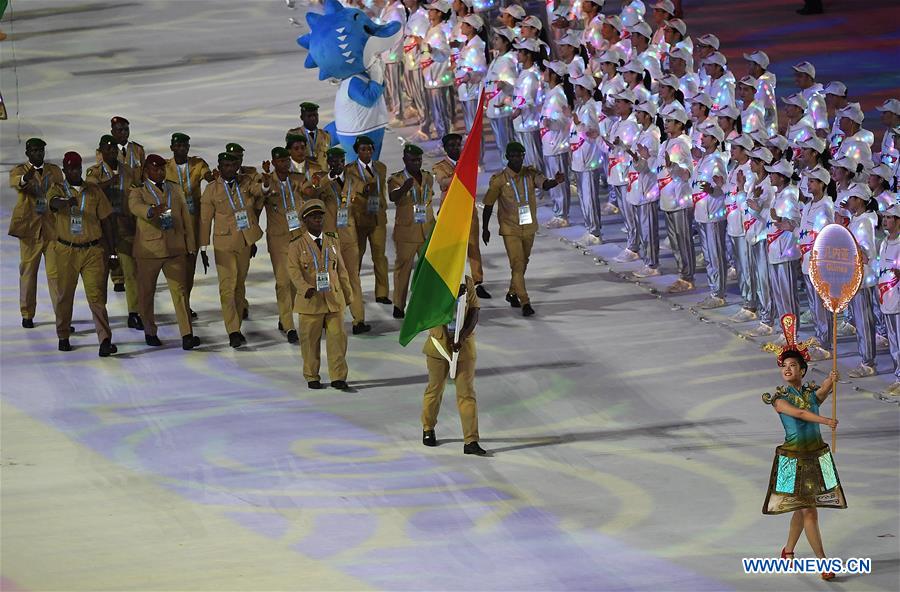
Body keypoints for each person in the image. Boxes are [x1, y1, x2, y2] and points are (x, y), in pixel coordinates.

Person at [761, 315, 843, 582]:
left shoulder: (809, 393)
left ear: (803, 370)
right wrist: (825, 420)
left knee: (802, 508)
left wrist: (831, 380)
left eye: (793, 365)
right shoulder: (779, 400)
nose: (787, 369)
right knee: (809, 510)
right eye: (784, 365)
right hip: (793, 460)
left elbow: (820, 396)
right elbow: (801, 414)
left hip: (815, 456)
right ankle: (823, 563)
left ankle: (788, 551)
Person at [46, 151, 118, 357]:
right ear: (64, 170)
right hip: (66, 251)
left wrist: (112, 252)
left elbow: (106, 221)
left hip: (93, 251)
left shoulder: (93, 191)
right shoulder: (57, 189)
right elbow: (52, 203)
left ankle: (105, 340)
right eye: (70, 168)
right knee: (64, 295)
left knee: (97, 297)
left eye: (77, 167)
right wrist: (66, 203)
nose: (75, 171)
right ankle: (63, 334)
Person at [482, 142, 565, 317]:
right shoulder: (499, 180)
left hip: (528, 226)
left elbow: (544, 184)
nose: (517, 159)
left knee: (523, 262)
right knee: (517, 263)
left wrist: (555, 182)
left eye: (520, 155)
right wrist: (485, 227)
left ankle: (512, 293)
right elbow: (488, 204)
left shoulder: (530, 174)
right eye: (513, 156)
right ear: (507, 157)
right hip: (509, 228)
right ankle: (525, 301)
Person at [128, 154, 199, 350]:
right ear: (146, 171)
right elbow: (134, 207)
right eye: (155, 169)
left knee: (181, 292)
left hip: (175, 248)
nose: (159, 172)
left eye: (162, 169)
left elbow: (186, 217)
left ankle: (187, 334)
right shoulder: (139, 191)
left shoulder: (174, 188)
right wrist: (151, 211)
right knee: (146, 293)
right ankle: (150, 331)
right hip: (149, 251)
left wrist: (190, 245)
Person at [199, 151, 267, 348]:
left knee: (239, 285)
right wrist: (203, 248)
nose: (229, 169)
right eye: (225, 166)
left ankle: (236, 321)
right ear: (219, 167)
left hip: (245, 242)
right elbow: (205, 220)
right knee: (227, 288)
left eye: (233, 165)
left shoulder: (245, 183)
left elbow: (259, 192)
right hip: (224, 245)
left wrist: (266, 183)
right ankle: (233, 330)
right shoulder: (212, 189)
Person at [287, 199, 354, 391]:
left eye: (320, 216)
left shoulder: (333, 240)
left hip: (334, 299)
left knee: (338, 340)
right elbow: (293, 270)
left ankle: (338, 376)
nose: (318, 220)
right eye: (313, 217)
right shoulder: (296, 244)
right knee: (309, 342)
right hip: (311, 301)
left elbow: (341, 269)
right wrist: (303, 287)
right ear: (304, 221)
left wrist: (347, 295)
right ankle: (311, 375)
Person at [421, 275, 487, 456]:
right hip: (439, 346)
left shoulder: (467, 280)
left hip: (464, 346)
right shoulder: (432, 279)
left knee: (466, 393)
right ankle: (428, 428)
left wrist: (463, 335)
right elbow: (428, 312)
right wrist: (450, 297)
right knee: (435, 389)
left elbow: (475, 310)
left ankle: (471, 440)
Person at [86, 135, 142, 331]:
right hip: (103, 230)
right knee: (99, 276)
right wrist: (111, 182)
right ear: (100, 152)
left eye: (113, 149)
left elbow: (137, 192)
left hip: (125, 226)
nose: (111, 152)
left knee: (131, 272)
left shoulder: (128, 170)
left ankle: (134, 313)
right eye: (107, 149)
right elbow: (91, 191)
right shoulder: (94, 172)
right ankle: (101, 317)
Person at [8, 138, 63, 329]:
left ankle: (61, 317)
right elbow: (18, 182)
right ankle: (27, 313)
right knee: (29, 273)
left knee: (56, 275)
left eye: (41, 150)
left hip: (51, 229)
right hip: (30, 230)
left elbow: (62, 191)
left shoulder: (54, 171)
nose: (39, 153)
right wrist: (27, 176)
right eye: (34, 150)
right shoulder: (20, 170)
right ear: (27, 153)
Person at [317, 146, 370, 335]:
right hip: (329, 239)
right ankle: (327, 318)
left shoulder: (352, 180)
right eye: (332, 162)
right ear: (328, 162)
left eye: (339, 162)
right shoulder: (322, 180)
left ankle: (359, 319)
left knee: (353, 277)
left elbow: (365, 188)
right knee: (329, 279)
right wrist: (328, 178)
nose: (336, 165)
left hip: (349, 237)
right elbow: (312, 192)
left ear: (343, 162)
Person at [432, 133, 490, 298]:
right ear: (445, 148)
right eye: (451, 145)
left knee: (473, 247)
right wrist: (461, 170)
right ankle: (453, 282)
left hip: (468, 211)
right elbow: (443, 183)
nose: (455, 148)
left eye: (458, 145)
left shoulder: (469, 163)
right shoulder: (440, 166)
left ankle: (478, 282)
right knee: (453, 249)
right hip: (450, 213)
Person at [261, 147, 307, 344]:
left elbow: (310, 191)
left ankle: (283, 316)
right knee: (282, 281)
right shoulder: (266, 181)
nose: (285, 163)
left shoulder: (297, 179)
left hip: (298, 236)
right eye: (281, 161)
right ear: (273, 162)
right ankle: (289, 326)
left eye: (287, 160)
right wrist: (264, 185)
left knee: (297, 281)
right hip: (278, 239)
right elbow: (258, 199)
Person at [166, 132, 213, 318]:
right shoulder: (166, 167)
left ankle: (186, 303)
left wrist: (210, 176)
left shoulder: (197, 164)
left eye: (185, 145)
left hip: (193, 223)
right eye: (178, 145)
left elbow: (206, 174)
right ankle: (181, 305)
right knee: (178, 267)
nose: (182, 148)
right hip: (175, 224)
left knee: (190, 268)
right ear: (172, 148)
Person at [388, 144, 436, 318]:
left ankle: (426, 303)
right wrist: (404, 189)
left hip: (427, 231)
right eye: (412, 160)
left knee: (427, 271)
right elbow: (392, 197)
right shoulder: (397, 179)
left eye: (419, 160)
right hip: (407, 233)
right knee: (403, 270)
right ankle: (399, 305)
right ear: (404, 161)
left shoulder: (428, 177)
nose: (416, 163)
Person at [346, 135, 391, 305]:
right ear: (357, 151)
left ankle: (382, 293)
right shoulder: (349, 169)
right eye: (363, 149)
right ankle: (352, 292)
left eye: (370, 149)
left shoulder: (381, 167)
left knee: (379, 256)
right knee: (356, 255)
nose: (367, 152)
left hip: (378, 216)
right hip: (359, 217)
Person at [656, 102, 696, 294]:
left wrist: (674, 167)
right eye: (665, 120)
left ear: (680, 124)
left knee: (683, 240)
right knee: (674, 240)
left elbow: (688, 172)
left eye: (670, 121)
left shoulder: (683, 143)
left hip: (680, 199)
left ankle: (688, 277)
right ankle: (682, 273)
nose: (666, 124)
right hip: (666, 199)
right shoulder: (664, 143)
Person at [797, 166, 834, 361]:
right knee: (813, 304)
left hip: (818, 262)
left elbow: (826, 236)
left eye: (812, 181)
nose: (809, 184)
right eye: (808, 181)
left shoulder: (826, 206)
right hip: (806, 260)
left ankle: (825, 343)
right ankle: (820, 338)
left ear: (822, 184)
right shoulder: (810, 205)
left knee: (821, 304)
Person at [692, 121, 729, 309]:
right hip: (701, 214)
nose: (702, 138)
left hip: (713, 214)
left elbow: (722, 187)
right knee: (708, 255)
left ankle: (718, 293)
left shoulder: (717, 160)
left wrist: (712, 189)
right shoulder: (704, 159)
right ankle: (713, 289)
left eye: (706, 136)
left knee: (715, 255)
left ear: (715, 140)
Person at [763, 160, 802, 338]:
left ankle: (792, 334)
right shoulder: (777, 195)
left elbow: (795, 223)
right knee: (779, 295)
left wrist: (779, 219)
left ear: (782, 177)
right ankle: (784, 332)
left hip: (786, 253)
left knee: (788, 296)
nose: (770, 176)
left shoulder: (789, 196)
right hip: (775, 252)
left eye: (773, 174)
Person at [844, 183, 879, 377]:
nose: (848, 201)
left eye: (852, 198)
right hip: (854, 276)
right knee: (860, 319)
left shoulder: (865, 221)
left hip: (863, 278)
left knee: (864, 320)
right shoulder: (856, 219)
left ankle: (868, 362)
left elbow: (868, 253)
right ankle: (865, 358)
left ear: (860, 201)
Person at [743, 147, 777, 337]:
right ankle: (765, 315)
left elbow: (766, 214)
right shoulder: (753, 181)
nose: (750, 163)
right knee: (757, 276)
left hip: (763, 235)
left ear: (763, 163)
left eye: (754, 160)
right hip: (752, 234)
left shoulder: (768, 186)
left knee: (765, 280)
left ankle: (767, 320)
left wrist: (756, 206)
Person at [628, 101, 663, 277]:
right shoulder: (642, 133)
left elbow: (651, 165)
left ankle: (652, 264)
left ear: (648, 115)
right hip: (639, 189)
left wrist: (640, 158)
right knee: (643, 229)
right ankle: (648, 261)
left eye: (639, 113)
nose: (636, 115)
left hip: (648, 189)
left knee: (649, 229)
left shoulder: (652, 136)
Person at [607, 89, 642, 262]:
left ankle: (634, 246)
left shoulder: (632, 125)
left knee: (630, 213)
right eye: (616, 101)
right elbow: (614, 149)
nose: (616, 104)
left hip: (626, 176)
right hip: (616, 174)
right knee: (625, 213)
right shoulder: (617, 124)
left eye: (620, 101)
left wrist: (620, 146)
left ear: (629, 104)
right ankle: (632, 242)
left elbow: (631, 152)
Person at [570, 75, 604, 247]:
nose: (575, 90)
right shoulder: (582, 106)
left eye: (577, 87)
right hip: (579, 159)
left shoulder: (590, 108)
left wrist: (578, 124)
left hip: (588, 160)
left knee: (590, 197)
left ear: (584, 90)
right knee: (584, 197)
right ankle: (589, 228)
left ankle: (595, 231)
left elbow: (591, 132)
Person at [541, 61, 574, 229]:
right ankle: (558, 211)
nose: (544, 72)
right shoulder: (551, 92)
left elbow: (564, 120)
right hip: (550, 143)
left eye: (547, 70)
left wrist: (550, 123)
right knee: (554, 179)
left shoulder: (557, 95)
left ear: (553, 74)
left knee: (559, 180)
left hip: (557, 144)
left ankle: (562, 214)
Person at [483, 27, 518, 165]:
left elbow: (513, 86)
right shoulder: (498, 58)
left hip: (502, 110)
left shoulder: (507, 60)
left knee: (506, 144)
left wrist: (505, 86)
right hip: (494, 109)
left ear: (506, 42)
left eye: (497, 39)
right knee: (501, 143)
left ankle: (511, 171)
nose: (494, 41)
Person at [421, 1, 454, 141]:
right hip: (431, 78)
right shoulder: (432, 29)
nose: (429, 12)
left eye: (432, 10)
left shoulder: (439, 31)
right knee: (437, 112)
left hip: (438, 78)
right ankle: (444, 141)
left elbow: (445, 53)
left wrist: (432, 50)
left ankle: (445, 144)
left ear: (440, 13)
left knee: (440, 113)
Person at [511, 38, 545, 171]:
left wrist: (519, 110)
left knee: (533, 158)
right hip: (521, 124)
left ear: (528, 55)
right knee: (527, 158)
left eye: (520, 52)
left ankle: (539, 188)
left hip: (528, 124)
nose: (517, 54)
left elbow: (530, 100)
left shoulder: (531, 75)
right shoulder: (524, 72)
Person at [878, 204, 900, 395]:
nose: (885, 220)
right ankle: (898, 376)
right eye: (884, 217)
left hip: (898, 297)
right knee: (893, 340)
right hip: (886, 296)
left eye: (890, 217)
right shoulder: (884, 242)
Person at [288, 102, 331, 170]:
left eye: (315, 115)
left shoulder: (325, 135)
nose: (313, 118)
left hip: (322, 176)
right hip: (302, 176)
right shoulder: (294, 134)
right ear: (302, 117)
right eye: (309, 116)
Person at [792, 62, 828, 137]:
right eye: (796, 75)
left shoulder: (816, 97)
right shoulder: (802, 95)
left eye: (800, 76)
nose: (796, 79)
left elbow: (822, 127)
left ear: (809, 77)